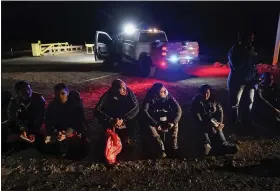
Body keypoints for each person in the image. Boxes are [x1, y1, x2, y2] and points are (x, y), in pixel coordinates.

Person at [94, 79, 139, 162]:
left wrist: (123, 119)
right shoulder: (108, 95)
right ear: (114, 89)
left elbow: (136, 108)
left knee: (128, 142)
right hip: (111, 120)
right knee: (106, 143)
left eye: (124, 87)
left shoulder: (129, 94)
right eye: (121, 88)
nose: (124, 90)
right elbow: (97, 110)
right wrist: (110, 120)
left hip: (125, 120)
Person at [191, 84, 239, 156]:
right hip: (201, 123)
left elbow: (220, 111)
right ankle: (207, 144)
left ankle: (224, 144)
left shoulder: (213, 99)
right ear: (200, 93)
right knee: (203, 131)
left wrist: (219, 122)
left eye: (207, 93)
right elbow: (196, 117)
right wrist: (206, 124)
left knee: (217, 129)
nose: (206, 95)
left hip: (212, 121)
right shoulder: (196, 101)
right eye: (204, 93)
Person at [44, 83, 89, 159]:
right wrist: (55, 131)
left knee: (80, 149)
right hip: (58, 131)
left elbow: (79, 121)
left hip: (72, 130)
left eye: (63, 93)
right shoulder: (52, 105)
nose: (60, 96)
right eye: (57, 94)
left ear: (67, 92)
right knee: (46, 142)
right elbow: (48, 121)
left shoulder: (76, 104)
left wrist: (67, 133)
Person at [2, 81, 46, 153]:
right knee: (3, 126)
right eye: (23, 90)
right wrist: (22, 129)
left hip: (35, 125)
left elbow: (40, 117)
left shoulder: (39, 99)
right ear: (18, 92)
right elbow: (12, 117)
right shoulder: (14, 102)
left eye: (29, 89)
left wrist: (32, 131)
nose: (27, 92)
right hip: (20, 125)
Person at [142, 83, 182, 158]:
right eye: (161, 92)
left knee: (176, 124)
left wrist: (173, 122)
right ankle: (161, 148)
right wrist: (155, 123)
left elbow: (178, 110)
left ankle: (174, 146)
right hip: (155, 119)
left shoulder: (168, 95)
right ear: (156, 93)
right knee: (149, 126)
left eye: (164, 91)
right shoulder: (150, 97)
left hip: (167, 117)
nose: (164, 93)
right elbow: (145, 111)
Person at [227, 32, 259, 125]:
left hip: (250, 80)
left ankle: (247, 121)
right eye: (250, 38)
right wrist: (247, 55)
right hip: (237, 80)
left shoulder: (250, 49)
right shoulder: (235, 50)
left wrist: (255, 77)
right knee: (235, 103)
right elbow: (236, 66)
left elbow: (253, 65)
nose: (252, 40)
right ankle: (234, 123)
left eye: (252, 38)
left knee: (249, 101)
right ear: (243, 39)